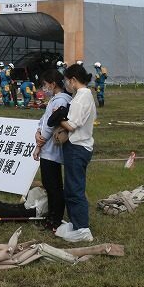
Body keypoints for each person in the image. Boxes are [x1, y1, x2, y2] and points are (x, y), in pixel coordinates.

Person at [58, 64, 96, 241]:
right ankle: (75, 223)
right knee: (71, 187)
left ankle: (83, 229)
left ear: (73, 79)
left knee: (75, 189)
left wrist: (58, 118)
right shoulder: (81, 96)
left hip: (77, 147)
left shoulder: (82, 98)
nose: (66, 84)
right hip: (77, 146)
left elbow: (72, 125)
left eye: (67, 80)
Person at [33, 69, 72, 232]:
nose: (44, 88)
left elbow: (49, 126)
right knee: (50, 184)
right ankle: (52, 215)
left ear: (53, 84)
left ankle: (55, 218)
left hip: (51, 150)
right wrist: (37, 131)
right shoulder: (54, 100)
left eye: (45, 84)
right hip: (47, 149)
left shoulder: (61, 101)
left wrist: (38, 144)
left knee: (54, 186)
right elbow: (43, 121)